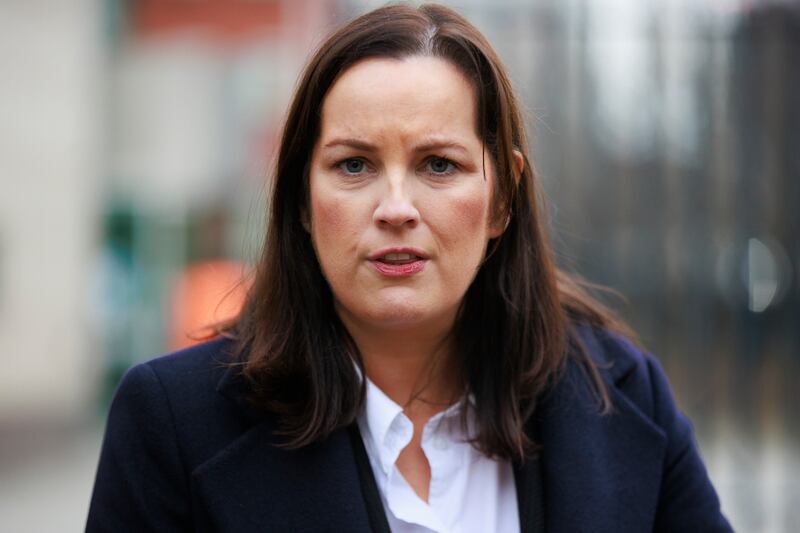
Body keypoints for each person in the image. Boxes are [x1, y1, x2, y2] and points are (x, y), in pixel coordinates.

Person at [86, 4, 733, 532]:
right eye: (354, 165)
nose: (396, 208)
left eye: (438, 165)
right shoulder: (175, 422)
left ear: (503, 195)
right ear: (302, 200)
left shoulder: (622, 396)